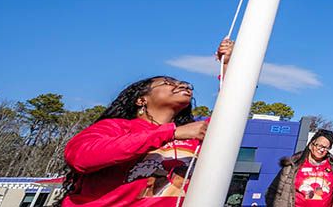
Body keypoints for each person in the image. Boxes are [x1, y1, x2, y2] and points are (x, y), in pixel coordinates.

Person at [61, 39, 233, 205]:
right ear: (141, 100)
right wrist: (170, 133)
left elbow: (232, 107)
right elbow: (81, 158)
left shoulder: (195, 133)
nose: (182, 86)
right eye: (168, 83)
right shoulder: (117, 126)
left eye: (184, 84)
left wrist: (229, 63)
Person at [266, 129, 333, 207]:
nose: (322, 150)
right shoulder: (293, 165)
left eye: (326, 148)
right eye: (319, 145)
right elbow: (273, 191)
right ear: (310, 145)